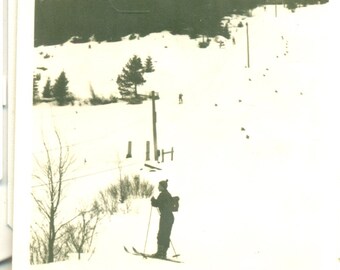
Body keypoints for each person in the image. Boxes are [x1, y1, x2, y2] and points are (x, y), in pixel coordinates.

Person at [151, 180, 174, 259]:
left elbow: (157, 203)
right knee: (166, 234)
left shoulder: (163, 194)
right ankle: (163, 253)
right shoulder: (168, 194)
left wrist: (153, 200)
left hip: (165, 217)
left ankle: (160, 253)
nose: (158, 187)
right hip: (170, 217)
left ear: (163, 187)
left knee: (161, 234)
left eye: (159, 186)